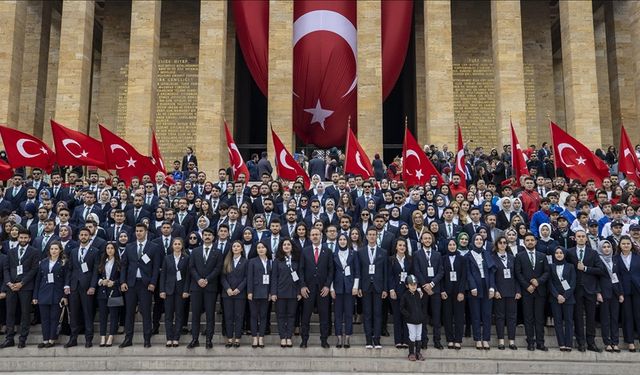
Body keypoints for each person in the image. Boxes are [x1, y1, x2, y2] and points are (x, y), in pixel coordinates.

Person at [119, 223, 162, 348]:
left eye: (141, 231)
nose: (138, 233)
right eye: (137, 231)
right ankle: (128, 338)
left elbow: (155, 267)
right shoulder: (129, 246)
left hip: (146, 285)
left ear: (146, 232)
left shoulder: (154, 247)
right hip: (131, 284)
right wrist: (123, 282)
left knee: (146, 312)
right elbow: (124, 266)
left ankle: (147, 339)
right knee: (129, 312)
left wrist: (153, 283)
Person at [566, 229, 604, 352]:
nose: (581, 238)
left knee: (590, 317)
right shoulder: (569, 252)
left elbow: (600, 270)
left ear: (586, 239)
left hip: (590, 289)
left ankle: (591, 342)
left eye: (583, 236)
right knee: (577, 316)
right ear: (575, 238)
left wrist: (586, 268)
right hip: (576, 289)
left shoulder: (593, 253)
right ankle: (580, 342)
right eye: (579, 236)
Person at [1, 228, 39, 348]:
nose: (23, 240)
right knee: (10, 313)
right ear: (17, 238)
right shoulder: (11, 251)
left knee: (25, 313)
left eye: (25, 238)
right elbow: (6, 269)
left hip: (25, 287)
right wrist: (8, 283)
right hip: (11, 287)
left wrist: (22, 283)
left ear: (29, 239)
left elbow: (34, 270)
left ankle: (23, 338)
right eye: (21, 237)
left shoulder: (34, 251)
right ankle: (9, 338)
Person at [187, 227, 223, 349]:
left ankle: (209, 339)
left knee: (210, 315)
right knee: (196, 314)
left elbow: (218, 269)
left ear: (213, 237)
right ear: (202, 237)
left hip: (211, 287)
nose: (207, 236)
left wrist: (207, 279)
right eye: (205, 234)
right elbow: (191, 267)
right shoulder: (195, 251)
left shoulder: (218, 252)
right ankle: (194, 339)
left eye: (209, 235)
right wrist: (199, 279)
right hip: (196, 287)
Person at [64, 227, 99, 348]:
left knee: (88, 313)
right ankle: (73, 338)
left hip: (87, 287)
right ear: (78, 237)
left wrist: (93, 286)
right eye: (81, 235)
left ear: (89, 237)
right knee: (73, 314)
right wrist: (67, 284)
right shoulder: (73, 251)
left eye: (86, 235)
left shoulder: (95, 251)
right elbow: (70, 269)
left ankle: (88, 339)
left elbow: (95, 271)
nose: (83, 236)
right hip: (74, 286)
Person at [299, 227, 334, 348]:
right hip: (308, 289)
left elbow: (331, 270)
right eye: (313, 234)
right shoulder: (305, 251)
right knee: (306, 316)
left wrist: (327, 286)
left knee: (324, 316)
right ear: (309, 237)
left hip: (322, 290)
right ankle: (304, 340)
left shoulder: (328, 251)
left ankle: (324, 340)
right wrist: (302, 286)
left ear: (321, 236)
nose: (315, 236)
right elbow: (301, 270)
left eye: (317, 234)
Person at [514, 232, 549, 351]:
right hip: (526, 291)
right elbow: (518, 273)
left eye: (532, 240)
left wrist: (538, 281)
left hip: (540, 291)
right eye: (527, 240)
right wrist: (527, 285)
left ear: (535, 242)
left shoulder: (542, 256)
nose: (530, 242)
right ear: (524, 242)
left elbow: (547, 272)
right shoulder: (519, 256)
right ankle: (530, 341)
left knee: (539, 318)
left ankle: (540, 342)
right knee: (528, 317)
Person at [357, 227, 388, 349]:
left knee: (378, 313)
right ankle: (368, 339)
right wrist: (358, 286)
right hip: (365, 286)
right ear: (366, 236)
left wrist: (385, 288)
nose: (372, 236)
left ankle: (377, 339)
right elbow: (358, 271)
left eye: (374, 234)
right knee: (367, 314)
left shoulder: (383, 252)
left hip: (378, 287)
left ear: (377, 236)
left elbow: (385, 272)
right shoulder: (361, 251)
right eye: (369, 234)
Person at [32, 241, 67, 348]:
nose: (54, 251)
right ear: (49, 250)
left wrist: (65, 296)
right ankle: (45, 339)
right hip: (43, 293)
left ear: (60, 250)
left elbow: (66, 280)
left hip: (57, 293)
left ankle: (52, 339)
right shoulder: (43, 262)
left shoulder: (63, 263)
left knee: (54, 318)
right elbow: (38, 280)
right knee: (44, 318)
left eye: (56, 249)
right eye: (52, 249)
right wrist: (35, 296)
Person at [413, 231, 444, 350]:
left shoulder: (437, 254)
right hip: (422, 290)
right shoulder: (417, 254)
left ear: (432, 240)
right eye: (425, 238)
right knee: (423, 316)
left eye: (429, 238)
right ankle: (423, 341)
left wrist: (431, 284)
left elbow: (441, 271)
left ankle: (437, 341)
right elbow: (416, 271)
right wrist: (425, 285)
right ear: (421, 240)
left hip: (435, 289)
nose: (427, 240)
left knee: (436, 316)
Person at [466, 233, 496, 350]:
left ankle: (486, 339)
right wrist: (472, 286)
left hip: (487, 286)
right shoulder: (468, 256)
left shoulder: (487, 254)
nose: (479, 241)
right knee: (476, 314)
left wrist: (492, 287)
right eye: (476, 239)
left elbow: (491, 272)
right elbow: (468, 273)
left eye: (480, 239)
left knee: (487, 314)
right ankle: (478, 339)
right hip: (475, 288)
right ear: (473, 241)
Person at [159, 238, 190, 348]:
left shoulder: (186, 258)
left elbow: (187, 276)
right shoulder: (167, 258)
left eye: (179, 244)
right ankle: (169, 338)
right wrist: (162, 290)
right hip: (168, 290)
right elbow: (163, 275)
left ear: (182, 246)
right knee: (168, 315)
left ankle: (176, 338)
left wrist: (186, 290)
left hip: (181, 291)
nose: (177, 246)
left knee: (179, 315)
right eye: (175, 244)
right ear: (172, 246)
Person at [271, 238, 301, 348]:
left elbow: (299, 278)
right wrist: (273, 293)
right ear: (281, 247)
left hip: (293, 292)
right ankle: (282, 337)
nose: (287, 246)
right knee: (281, 316)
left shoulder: (296, 260)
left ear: (292, 246)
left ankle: (289, 337)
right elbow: (274, 277)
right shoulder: (277, 261)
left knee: (291, 316)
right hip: (280, 292)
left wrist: (299, 291)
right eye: (284, 245)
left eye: (289, 244)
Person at [331, 233, 360, 348]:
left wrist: (356, 286)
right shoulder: (334, 255)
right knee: (338, 314)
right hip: (337, 288)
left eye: (344, 239)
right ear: (338, 241)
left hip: (350, 288)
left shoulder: (353, 254)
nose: (342, 241)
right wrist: (332, 288)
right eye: (340, 239)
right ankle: (338, 337)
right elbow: (331, 273)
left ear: (347, 241)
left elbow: (357, 271)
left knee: (348, 313)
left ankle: (347, 337)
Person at [492, 236, 520, 350]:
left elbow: (517, 276)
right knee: (499, 317)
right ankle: (501, 341)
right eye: (500, 243)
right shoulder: (492, 258)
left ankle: (511, 341)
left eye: (505, 243)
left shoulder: (512, 258)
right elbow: (491, 277)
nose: (503, 245)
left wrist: (518, 290)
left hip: (512, 291)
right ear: (497, 244)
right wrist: (495, 290)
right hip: (499, 292)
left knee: (512, 317)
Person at [93, 242, 122, 348]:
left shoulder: (119, 263)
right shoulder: (102, 262)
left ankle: (111, 336)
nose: (109, 250)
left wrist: (114, 282)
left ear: (115, 250)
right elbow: (96, 276)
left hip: (114, 292)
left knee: (114, 315)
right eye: (108, 248)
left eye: (112, 248)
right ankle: (102, 337)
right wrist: (101, 281)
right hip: (102, 292)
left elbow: (122, 278)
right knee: (103, 315)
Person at [597, 240, 623, 352]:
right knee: (605, 319)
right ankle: (607, 342)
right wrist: (598, 293)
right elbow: (596, 278)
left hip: (615, 293)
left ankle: (615, 342)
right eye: (604, 247)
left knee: (614, 318)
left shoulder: (615, 259)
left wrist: (621, 293)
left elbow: (618, 277)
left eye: (608, 246)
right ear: (600, 248)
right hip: (603, 293)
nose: (607, 249)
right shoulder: (598, 260)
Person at [548, 247, 576, 351]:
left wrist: (565, 296)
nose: (559, 255)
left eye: (561, 253)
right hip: (555, 298)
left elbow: (573, 283)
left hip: (568, 298)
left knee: (568, 321)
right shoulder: (551, 266)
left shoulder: (570, 266)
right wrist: (557, 295)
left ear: (564, 254)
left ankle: (568, 343)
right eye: (557, 253)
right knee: (558, 321)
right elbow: (550, 283)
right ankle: (561, 343)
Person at [441, 238, 466, 350]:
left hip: (458, 292)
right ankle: (450, 339)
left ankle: (458, 339)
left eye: (453, 244)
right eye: (450, 245)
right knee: (447, 316)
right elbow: (441, 276)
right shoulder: (443, 258)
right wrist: (442, 290)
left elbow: (464, 276)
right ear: (447, 246)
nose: (452, 246)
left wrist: (461, 291)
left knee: (459, 316)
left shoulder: (462, 258)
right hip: (446, 292)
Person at [221, 241, 247, 348]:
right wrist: (227, 288)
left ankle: (237, 338)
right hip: (227, 294)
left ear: (241, 249)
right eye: (234, 246)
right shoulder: (227, 261)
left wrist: (238, 289)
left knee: (239, 316)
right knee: (228, 316)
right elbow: (222, 277)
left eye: (238, 246)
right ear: (231, 249)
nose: (236, 248)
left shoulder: (246, 262)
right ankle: (229, 338)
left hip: (239, 294)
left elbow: (246, 277)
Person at [616, 235, 640, 352]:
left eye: (628, 244)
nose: (626, 245)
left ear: (631, 245)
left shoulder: (637, 257)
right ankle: (630, 342)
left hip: (637, 289)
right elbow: (616, 276)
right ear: (620, 245)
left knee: (638, 315)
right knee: (627, 316)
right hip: (624, 291)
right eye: (623, 244)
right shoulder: (615, 258)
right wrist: (619, 292)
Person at [388, 238, 412, 349]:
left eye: (404, 245)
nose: (402, 247)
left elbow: (412, 274)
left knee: (406, 316)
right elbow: (390, 275)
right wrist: (391, 289)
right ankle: (398, 340)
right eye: (400, 245)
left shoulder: (410, 259)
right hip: (396, 292)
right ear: (396, 247)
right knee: (397, 316)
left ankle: (406, 340)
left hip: (407, 291)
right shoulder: (391, 259)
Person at [247, 241, 271, 348]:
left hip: (266, 292)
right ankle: (254, 338)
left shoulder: (271, 262)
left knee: (263, 316)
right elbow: (249, 278)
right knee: (253, 315)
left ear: (266, 249)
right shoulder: (252, 261)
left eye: (263, 247)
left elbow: (273, 278)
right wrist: (249, 291)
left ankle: (261, 337)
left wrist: (271, 292)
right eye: (258, 247)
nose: (261, 249)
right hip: (254, 292)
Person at [400, 274, 425, 361]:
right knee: (412, 335)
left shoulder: (418, 294)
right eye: (411, 284)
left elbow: (421, 305)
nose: (414, 286)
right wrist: (408, 315)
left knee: (419, 336)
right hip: (410, 320)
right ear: (407, 285)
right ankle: (411, 353)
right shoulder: (405, 295)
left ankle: (418, 352)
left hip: (419, 319)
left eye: (415, 284)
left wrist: (421, 315)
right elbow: (402, 308)